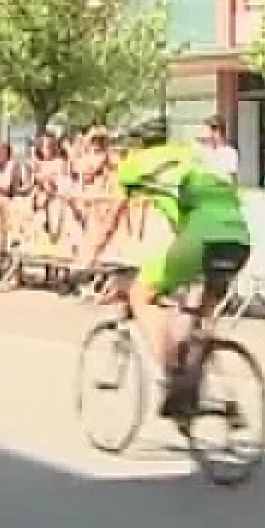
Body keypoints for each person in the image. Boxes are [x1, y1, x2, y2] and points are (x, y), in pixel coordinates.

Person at [82, 118, 251, 420]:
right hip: (237, 236)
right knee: (198, 316)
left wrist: (88, 256)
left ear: (135, 146)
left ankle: (173, 376)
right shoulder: (192, 155)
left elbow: (112, 218)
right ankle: (204, 385)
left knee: (141, 295)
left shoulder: (134, 165)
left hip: (201, 236)